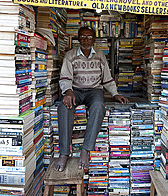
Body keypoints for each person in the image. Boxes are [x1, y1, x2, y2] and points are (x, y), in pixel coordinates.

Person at [54, 26, 129, 172]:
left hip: (94, 90)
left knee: (99, 106)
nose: (86, 39)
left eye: (89, 37)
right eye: (82, 36)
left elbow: (107, 78)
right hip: (75, 90)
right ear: (78, 39)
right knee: (63, 107)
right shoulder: (70, 55)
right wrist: (68, 92)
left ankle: (85, 150)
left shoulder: (100, 55)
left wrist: (115, 94)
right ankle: (64, 153)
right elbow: (65, 78)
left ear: (94, 39)